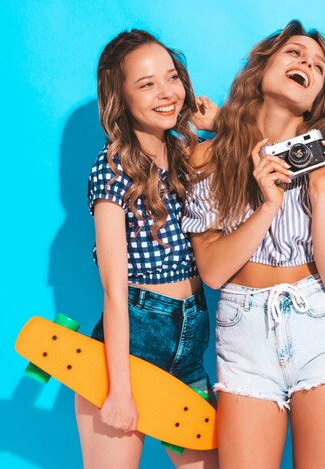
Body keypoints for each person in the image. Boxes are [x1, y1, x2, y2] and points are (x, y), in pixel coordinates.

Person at [182, 20, 325, 468]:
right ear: (262, 66)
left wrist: (321, 193)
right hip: (245, 332)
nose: (306, 63)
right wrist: (267, 205)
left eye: (319, 65)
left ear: (320, 95)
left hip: (321, 323)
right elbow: (211, 272)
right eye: (293, 54)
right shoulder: (210, 156)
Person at [77, 29, 218, 469]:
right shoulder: (113, 167)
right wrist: (119, 390)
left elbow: (255, 152)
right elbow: (115, 290)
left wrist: (219, 125)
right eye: (146, 83)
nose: (166, 92)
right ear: (119, 97)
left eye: (171, 77)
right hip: (134, 340)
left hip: (191, 336)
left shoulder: (187, 153)